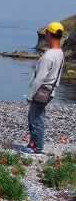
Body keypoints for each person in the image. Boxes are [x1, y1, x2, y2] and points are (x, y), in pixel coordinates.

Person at [21, 22, 65, 156]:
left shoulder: (49, 55)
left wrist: (30, 95)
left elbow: (40, 78)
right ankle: (33, 144)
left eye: (46, 32)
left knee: (36, 119)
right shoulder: (59, 53)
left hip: (42, 90)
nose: (45, 34)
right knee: (34, 117)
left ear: (49, 34)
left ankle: (37, 148)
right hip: (50, 90)